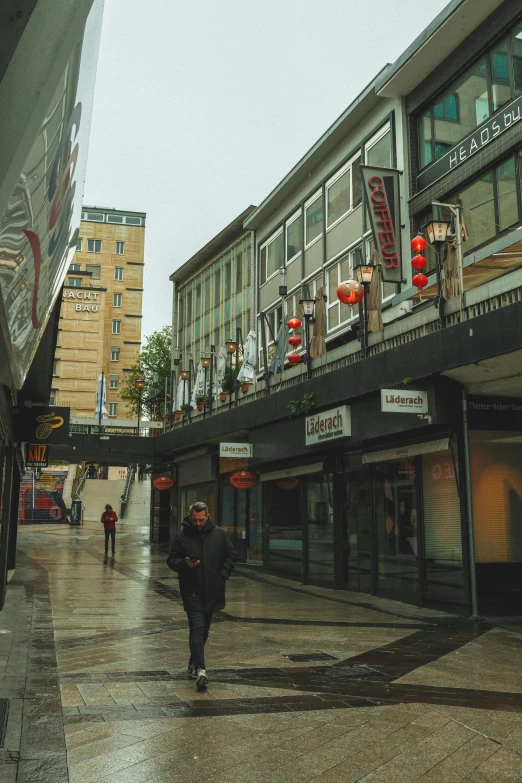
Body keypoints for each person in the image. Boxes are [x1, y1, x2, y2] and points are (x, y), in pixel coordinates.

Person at [167, 502, 235, 691]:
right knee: (197, 627)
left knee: (204, 630)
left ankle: (193, 661)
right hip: (191, 590)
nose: (198, 523)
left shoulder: (219, 534)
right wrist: (184, 563)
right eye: (195, 519)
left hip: (212, 591)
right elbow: (171, 560)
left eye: (201, 519)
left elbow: (231, 556)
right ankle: (201, 669)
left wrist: (222, 576)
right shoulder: (182, 537)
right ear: (190, 517)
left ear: (207, 517)